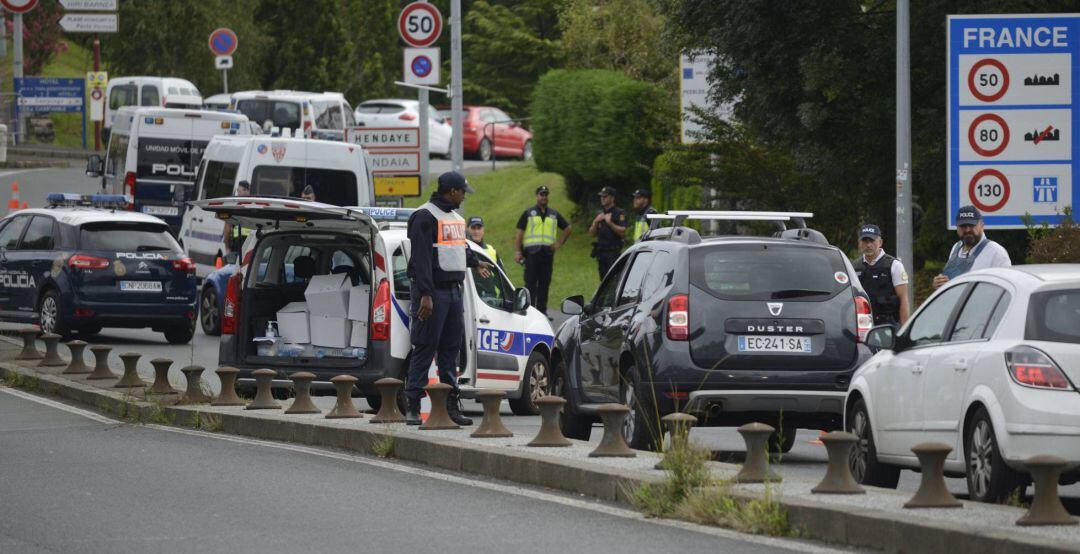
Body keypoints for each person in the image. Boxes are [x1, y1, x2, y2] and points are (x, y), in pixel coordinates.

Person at [405, 171, 493, 426]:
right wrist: (425, 295)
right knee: (424, 346)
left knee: (450, 351)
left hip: (454, 291)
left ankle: (450, 407)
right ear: (452, 191)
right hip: (432, 292)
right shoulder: (424, 216)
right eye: (462, 192)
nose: (464, 196)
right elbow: (420, 260)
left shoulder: (455, 218)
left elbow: (458, 247)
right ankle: (413, 405)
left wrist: (475, 262)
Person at [514, 185, 572, 317]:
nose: (544, 197)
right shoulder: (528, 213)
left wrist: (559, 243)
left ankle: (541, 312)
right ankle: (529, 311)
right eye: (541, 194)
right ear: (537, 196)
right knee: (530, 283)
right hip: (531, 254)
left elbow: (568, 228)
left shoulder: (553, 214)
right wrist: (518, 252)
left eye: (546, 194)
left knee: (544, 284)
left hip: (547, 254)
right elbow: (519, 233)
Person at [933, 205, 1012, 289]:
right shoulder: (956, 247)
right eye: (963, 226)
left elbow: (1007, 288)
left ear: (982, 224)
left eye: (971, 225)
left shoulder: (996, 252)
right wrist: (939, 284)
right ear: (957, 227)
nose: (967, 230)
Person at [853, 224, 911, 326]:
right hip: (862, 325)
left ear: (880, 242)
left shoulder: (894, 265)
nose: (868, 245)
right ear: (859, 243)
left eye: (872, 241)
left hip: (888, 325)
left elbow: (903, 300)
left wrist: (904, 331)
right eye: (865, 241)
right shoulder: (853, 267)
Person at [589, 186, 628, 278]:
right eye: (601, 196)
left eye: (605, 196)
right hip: (601, 252)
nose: (602, 198)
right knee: (603, 279)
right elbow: (592, 233)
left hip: (613, 252)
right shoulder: (599, 213)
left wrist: (610, 223)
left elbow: (623, 231)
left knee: (613, 279)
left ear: (612, 198)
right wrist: (595, 222)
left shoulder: (620, 213)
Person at [222, 181, 251, 257]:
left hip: (238, 243)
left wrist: (227, 247)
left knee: (236, 267)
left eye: (239, 191)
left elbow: (227, 230)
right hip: (252, 243)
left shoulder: (234, 206)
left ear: (245, 190)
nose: (237, 193)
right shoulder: (254, 205)